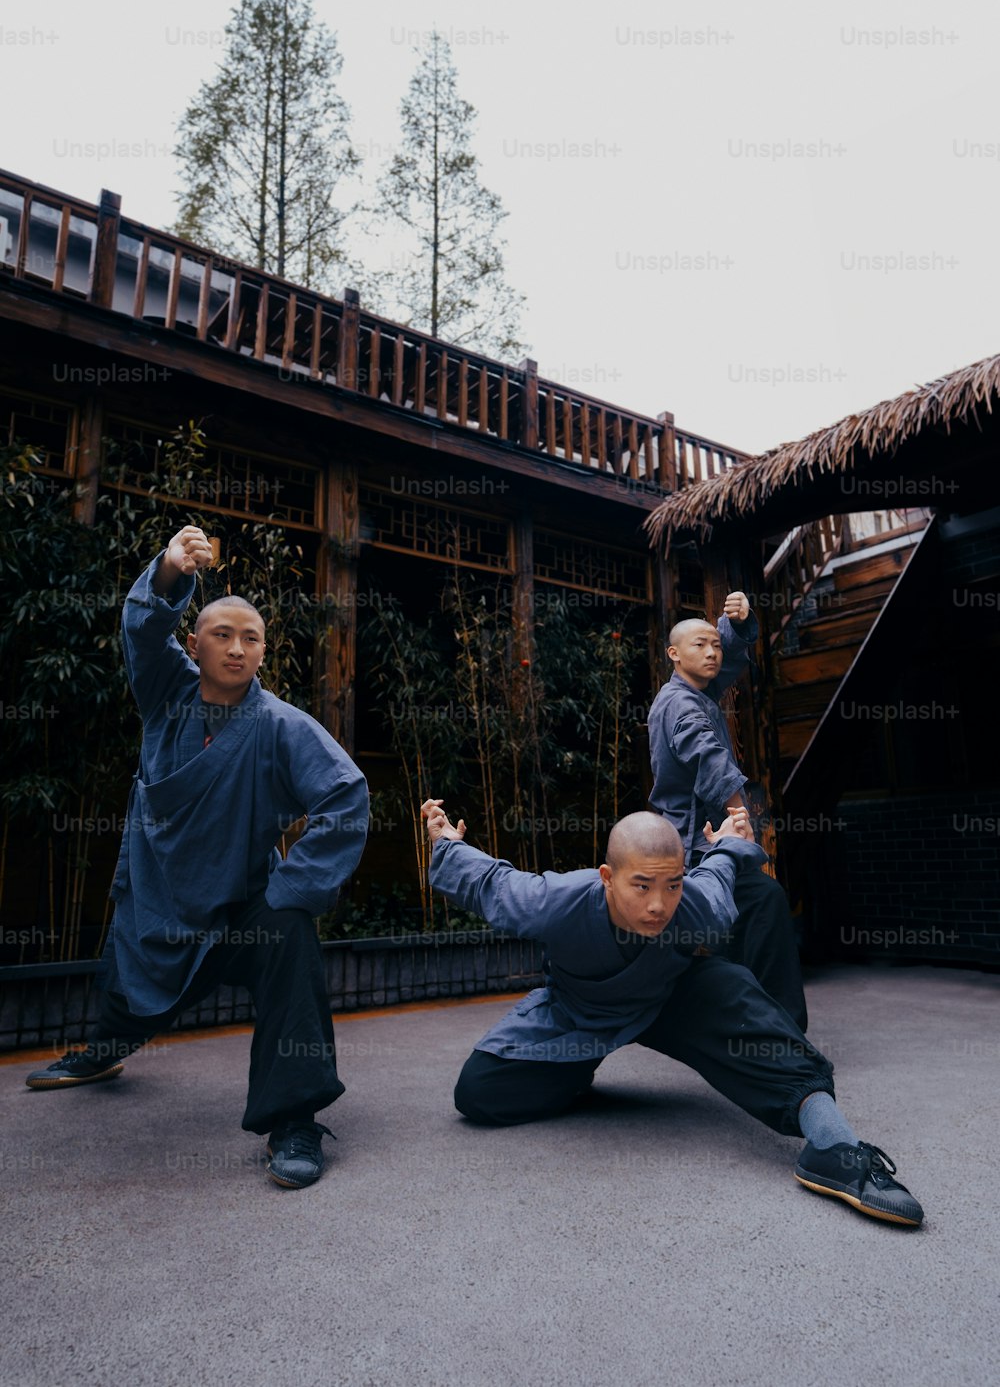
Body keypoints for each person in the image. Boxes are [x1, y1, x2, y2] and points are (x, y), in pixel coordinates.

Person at [25, 525, 369, 1190]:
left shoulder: (281, 726)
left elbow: (345, 797)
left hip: (241, 908)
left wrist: (292, 885)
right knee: (127, 990)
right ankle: (104, 1053)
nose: (237, 648)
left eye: (251, 638)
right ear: (193, 644)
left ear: (265, 651)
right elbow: (141, 633)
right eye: (221, 634)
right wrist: (169, 573)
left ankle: (294, 1116)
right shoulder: (166, 695)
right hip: (158, 898)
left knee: (289, 936)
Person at [421, 798, 923, 1227]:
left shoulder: (696, 903)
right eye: (642, 887)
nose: (660, 906)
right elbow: (492, 883)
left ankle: (836, 1149)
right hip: (581, 1013)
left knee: (733, 992)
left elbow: (718, 867)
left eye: (672, 885)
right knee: (479, 1092)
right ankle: (572, 1072)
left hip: (669, 1000)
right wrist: (446, 840)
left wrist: (727, 838)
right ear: (607, 879)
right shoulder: (556, 901)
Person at [647, 590, 808, 1030]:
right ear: (674, 655)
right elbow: (708, 756)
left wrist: (735, 623)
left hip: (700, 838)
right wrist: (742, 818)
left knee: (740, 914)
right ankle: (781, 1027)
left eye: (715, 644)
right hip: (695, 842)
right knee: (762, 901)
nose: (712, 652)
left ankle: (751, 1019)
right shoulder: (680, 703)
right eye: (700, 645)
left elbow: (728, 658)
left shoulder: (697, 688)